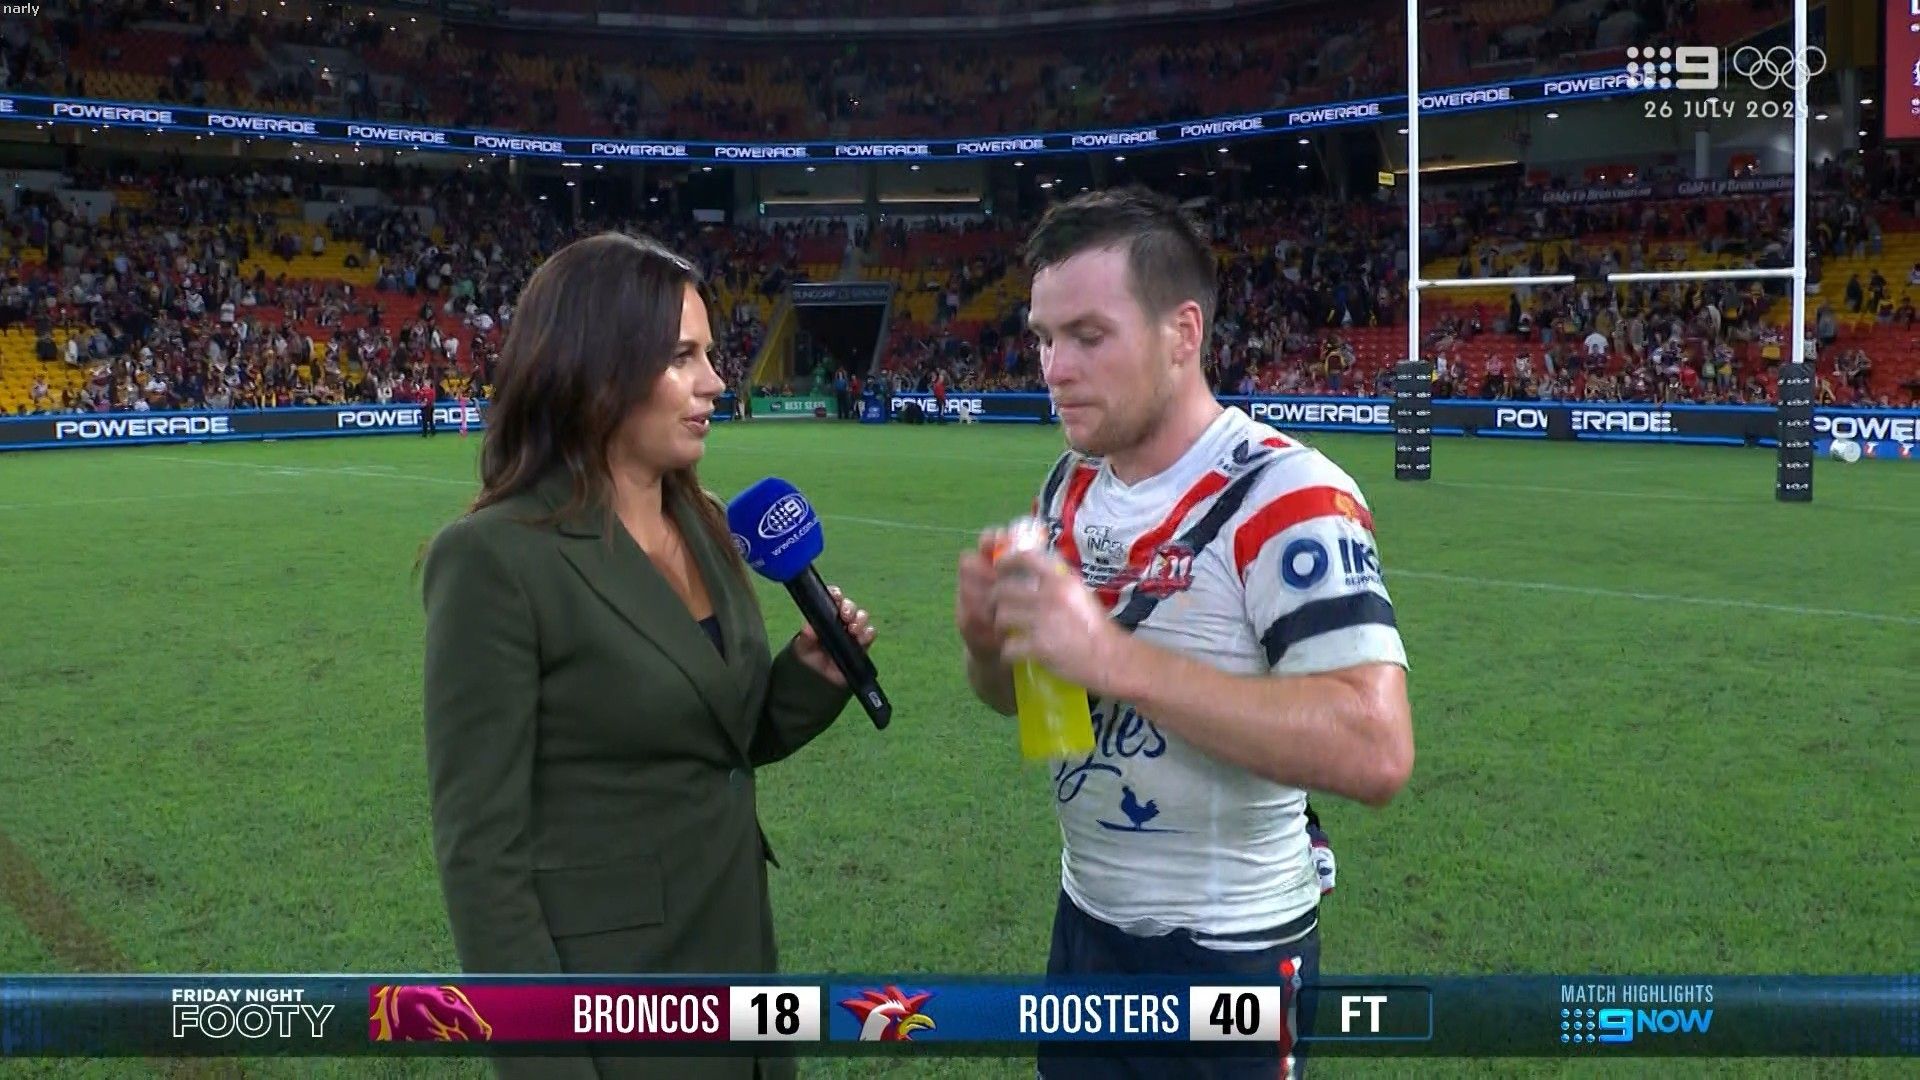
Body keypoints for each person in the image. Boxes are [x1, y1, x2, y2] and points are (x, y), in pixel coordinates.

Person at [953, 189, 1414, 1080]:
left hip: (1229, 952)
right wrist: (989, 647)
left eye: (1089, 336)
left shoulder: (1288, 495)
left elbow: (1376, 748)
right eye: (1043, 338)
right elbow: (1042, 712)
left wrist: (1118, 660)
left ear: (1182, 333)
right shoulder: (1069, 487)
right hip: (1086, 926)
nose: (1054, 368)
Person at [419, 232, 877, 1080]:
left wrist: (807, 678)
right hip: (615, 1009)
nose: (716, 382)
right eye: (681, 357)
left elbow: (712, 741)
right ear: (597, 370)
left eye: (710, 353)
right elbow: (481, 858)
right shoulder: (492, 559)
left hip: (742, 975)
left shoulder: (706, 522)